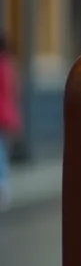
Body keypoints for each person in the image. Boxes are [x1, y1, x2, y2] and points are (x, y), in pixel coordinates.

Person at [0, 32, 20, 211]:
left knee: (1, 151)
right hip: (8, 113)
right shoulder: (10, 65)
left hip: (1, 113)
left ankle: (3, 185)